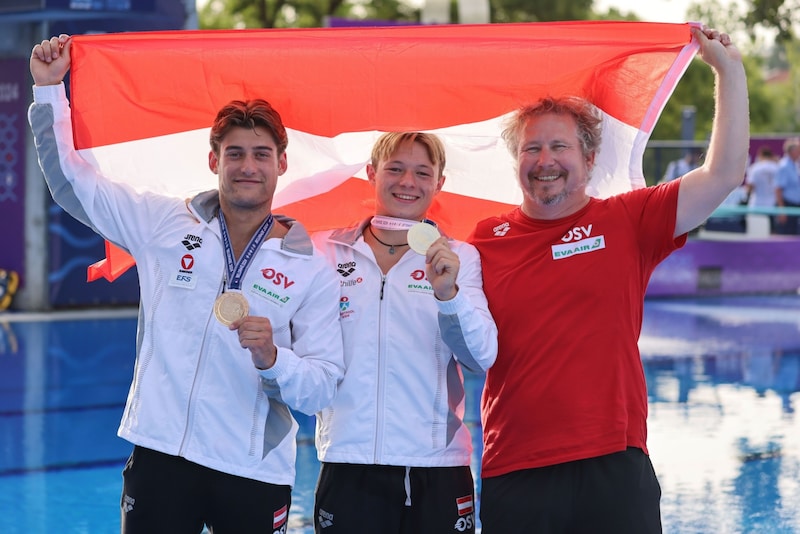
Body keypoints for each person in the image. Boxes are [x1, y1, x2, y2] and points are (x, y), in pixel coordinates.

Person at [29, 34, 345, 533]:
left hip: (252, 470)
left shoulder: (312, 266)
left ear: (282, 164)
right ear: (214, 160)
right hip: (160, 455)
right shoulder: (164, 225)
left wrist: (273, 358)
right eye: (235, 153)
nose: (248, 166)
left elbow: (323, 384)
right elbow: (71, 182)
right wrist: (48, 91)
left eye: (261, 155)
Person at [468, 26, 748, 533]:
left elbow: (724, 174)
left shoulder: (627, 220)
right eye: (532, 148)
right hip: (516, 463)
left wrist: (728, 71)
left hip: (612, 462)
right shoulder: (485, 238)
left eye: (560, 146)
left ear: (590, 159)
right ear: (516, 161)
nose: (545, 161)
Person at [310, 132, 498, 533]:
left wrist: (449, 295)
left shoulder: (459, 257)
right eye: (395, 169)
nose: (407, 182)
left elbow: (480, 357)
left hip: (437, 465)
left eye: (421, 172)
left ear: (439, 183)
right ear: (371, 173)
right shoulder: (326, 251)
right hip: (348, 458)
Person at [774, 137, 800, 234]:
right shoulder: (784, 166)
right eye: (798, 150)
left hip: (795, 206)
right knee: (787, 235)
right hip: (788, 206)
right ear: (792, 151)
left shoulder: (794, 165)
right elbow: (778, 189)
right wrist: (782, 210)